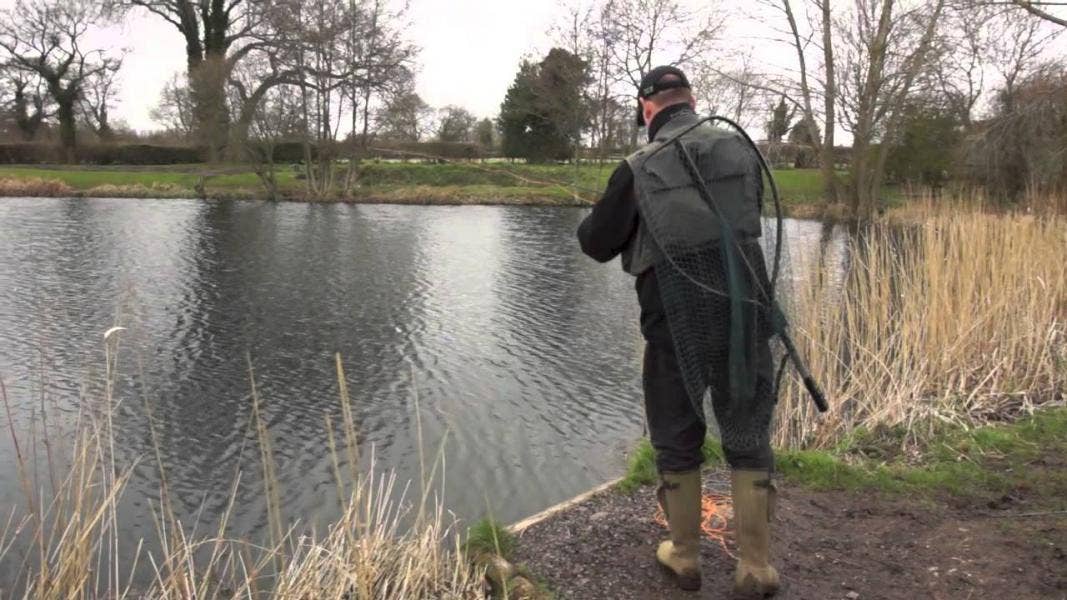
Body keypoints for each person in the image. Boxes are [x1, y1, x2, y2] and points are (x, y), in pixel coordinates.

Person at [577, 65, 780, 596]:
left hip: (673, 318)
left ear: (648, 108)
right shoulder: (741, 149)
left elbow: (596, 244)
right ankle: (755, 566)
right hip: (746, 309)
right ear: (689, 100)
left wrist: (599, 215)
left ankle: (685, 556)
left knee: (676, 430)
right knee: (747, 423)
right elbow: (744, 216)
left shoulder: (638, 166)